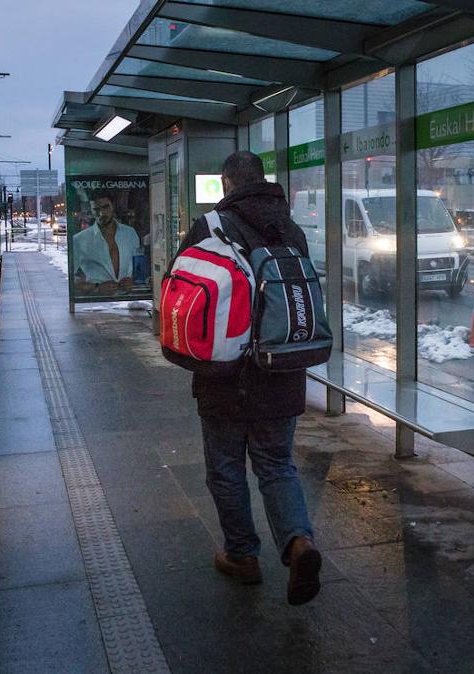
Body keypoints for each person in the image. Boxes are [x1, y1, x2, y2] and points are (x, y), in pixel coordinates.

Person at [172, 151, 321, 606]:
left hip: (224, 373)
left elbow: (180, 282)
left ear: (226, 184)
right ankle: (299, 544)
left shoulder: (211, 227)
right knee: (277, 465)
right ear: (262, 180)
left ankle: (242, 556)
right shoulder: (291, 229)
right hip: (281, 371)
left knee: (226, 468)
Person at [71, 193, 140, 294]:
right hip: (98, 302)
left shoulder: (130, 233)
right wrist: (96, 287)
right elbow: (70, 277)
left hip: (128, 300)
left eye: (106, 207)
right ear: (91, 210)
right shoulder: (80, 239)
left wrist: (133, 280)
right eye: (96, 209)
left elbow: (139, 265)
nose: (102, 213)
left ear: (113, 206)